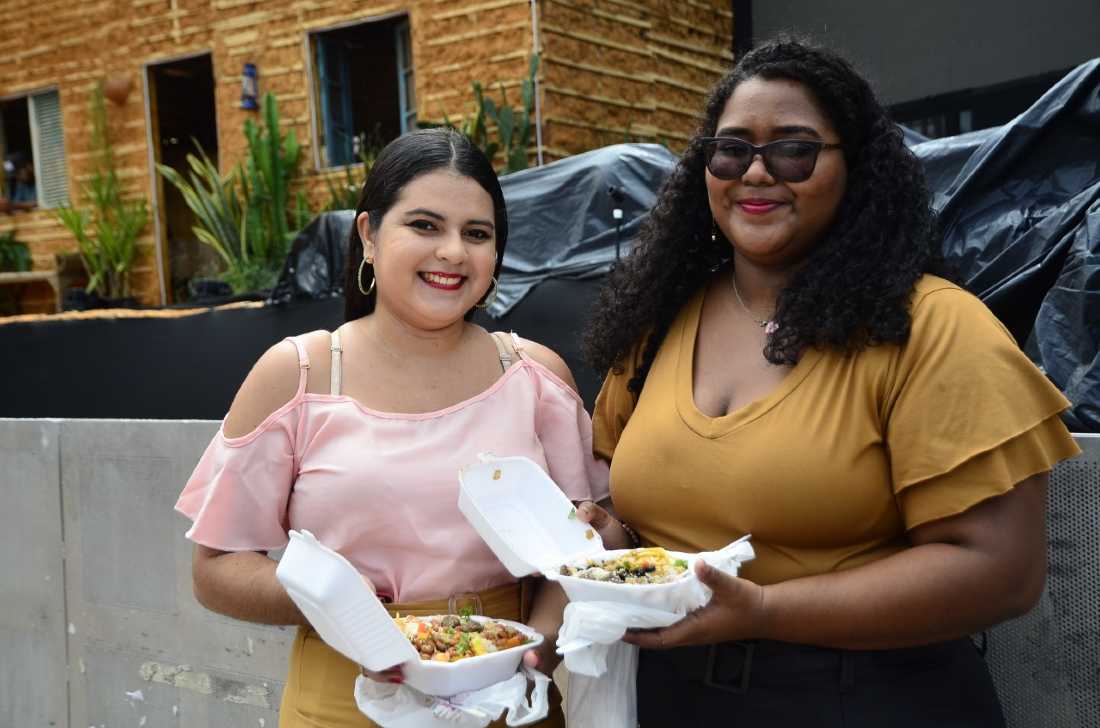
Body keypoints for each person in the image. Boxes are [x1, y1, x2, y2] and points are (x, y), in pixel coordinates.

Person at [576, 37, 1081, 727]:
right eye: (730, 150)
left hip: (866, 699)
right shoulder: (657, 324)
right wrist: (615, 542)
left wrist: (763, 610)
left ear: (855, 169)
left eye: (794, 149)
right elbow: (649, 510)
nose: (756, 172)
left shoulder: (932, 328)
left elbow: (1000, 571)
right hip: (673, 700)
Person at [175, 127, 608, 727]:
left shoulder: (537, 377)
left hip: (507, 698)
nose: (453, 252)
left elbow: (584, 550)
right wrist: (336, 602)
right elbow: (216, 568)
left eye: (476, 234)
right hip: (343, 701)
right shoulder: (300, 375)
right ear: (369, 235)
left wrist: (538, 643)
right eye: (425, 225)